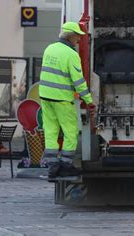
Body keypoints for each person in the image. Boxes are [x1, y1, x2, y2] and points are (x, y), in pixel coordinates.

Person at [39, 22, 96, 179]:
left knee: (50, 130)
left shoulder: (49, 49)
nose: (78, 39)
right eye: (77, 36)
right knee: (70, 131)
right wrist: (89, 101)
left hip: (45, 96)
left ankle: (52, 166)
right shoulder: (71, 55)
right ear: (71, 36)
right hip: (61, 98)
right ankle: (65, 165)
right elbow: (79, 81)